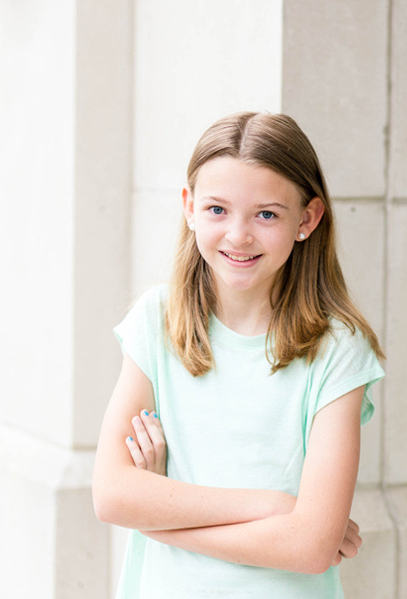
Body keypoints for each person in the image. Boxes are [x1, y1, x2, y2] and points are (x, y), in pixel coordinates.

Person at [93, 112, 385, 598]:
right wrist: (273, 507)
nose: (238, 235)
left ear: (306, 220)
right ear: (189, 207)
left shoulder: (338, 349)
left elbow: (311, 546)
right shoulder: (157, 320)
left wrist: (159, 520)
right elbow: (112, 494)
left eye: (266, 214)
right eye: (217, 210)